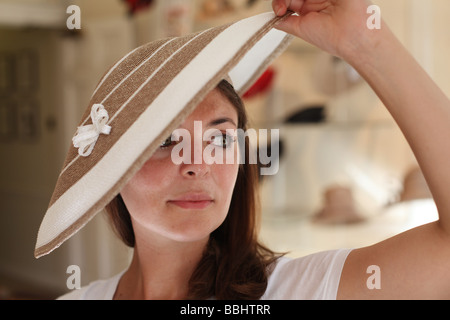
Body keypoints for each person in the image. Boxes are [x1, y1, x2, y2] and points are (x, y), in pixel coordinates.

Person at [54, 0, 450, 299]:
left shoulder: (290, 291)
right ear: (111, 169)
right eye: (165, 141)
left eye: (221, 139)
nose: (198, 165)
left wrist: (369, 42)